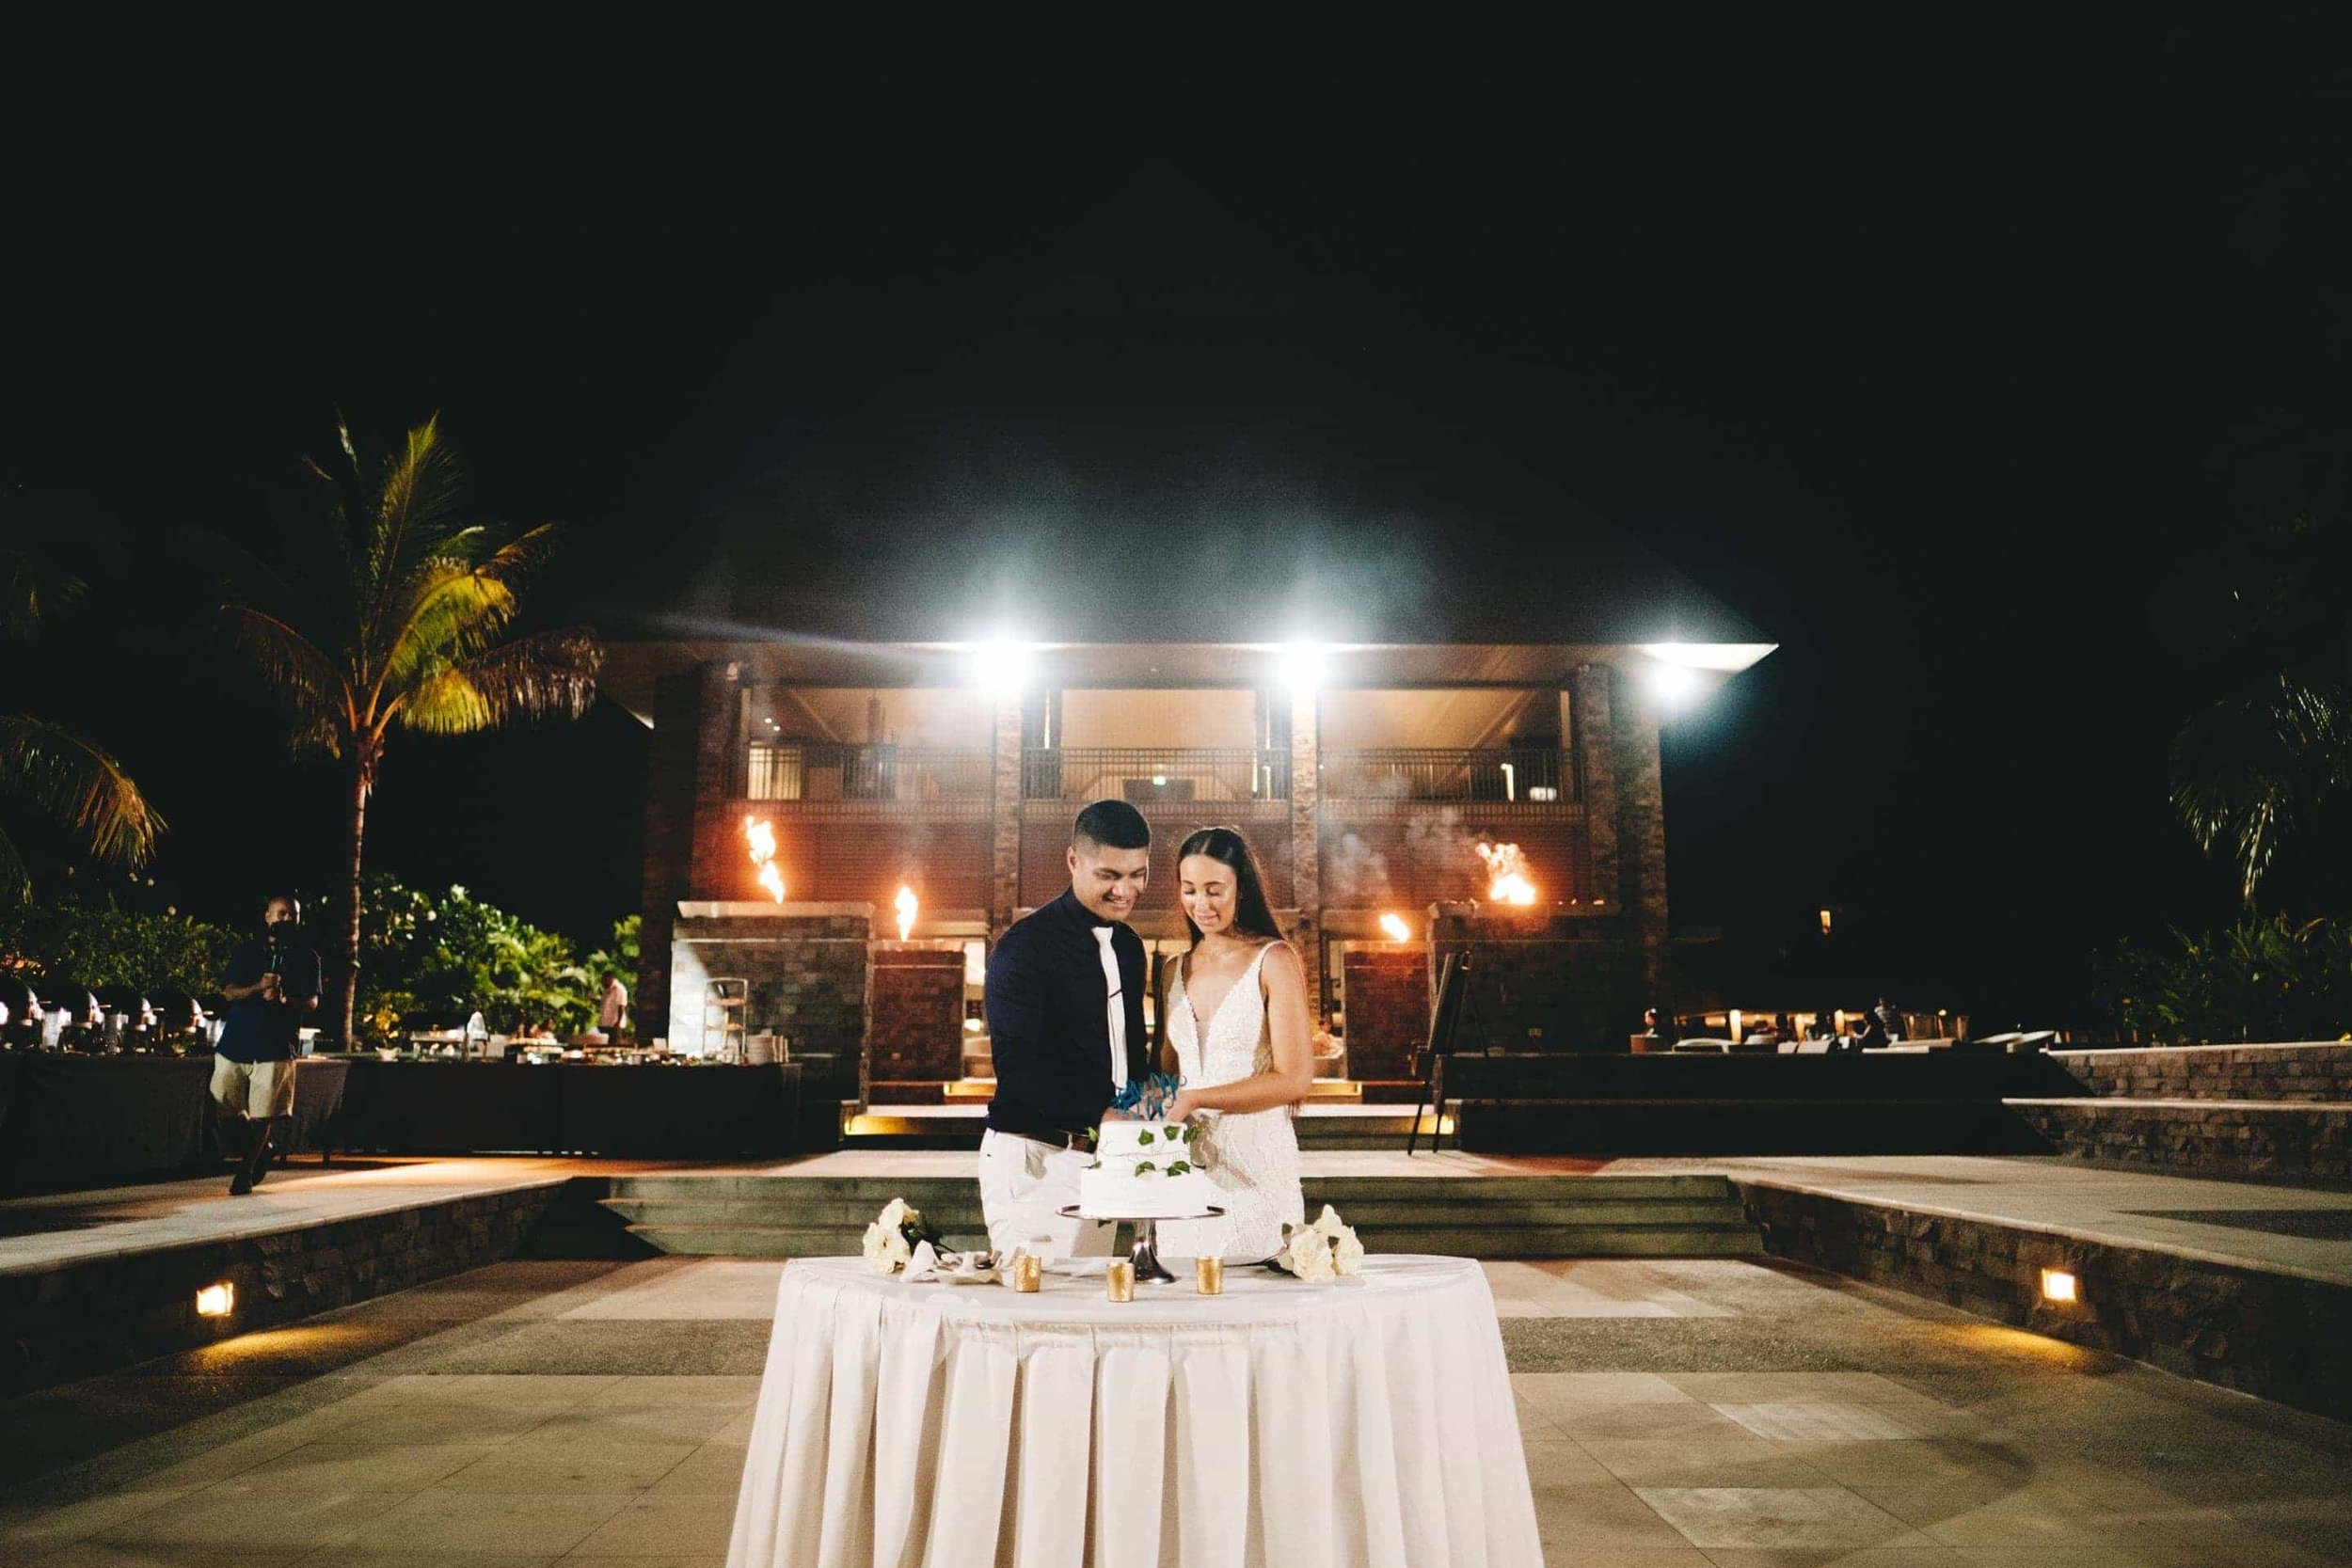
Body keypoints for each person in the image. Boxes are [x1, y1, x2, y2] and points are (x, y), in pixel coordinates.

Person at [979, 800, 1152, 1259]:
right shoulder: (1024, 947)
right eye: (1110, 875)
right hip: (1035, 1157)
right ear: (1073, 860)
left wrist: (1141, 1111)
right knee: (1035, 1316)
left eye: (1138, 874)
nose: (1126, 890)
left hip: (1101, 1158)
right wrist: (1104, 1115)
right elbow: (1017, 1070)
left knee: (1087, 1312)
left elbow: (1131, 1049)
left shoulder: (1131, 948)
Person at [1154, 826, 1311, 1262]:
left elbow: (1295, 1080)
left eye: (1214, 890)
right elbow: (1167, 1074)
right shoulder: (1173, 969)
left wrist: (1196, 1098)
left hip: (1255, 1164)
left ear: (1241, 889)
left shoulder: (1273, 960)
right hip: (1184, 1168)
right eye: (1189, 890)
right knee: (1183, 1300)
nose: (1200, 904)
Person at [213, 892, 321, 1194]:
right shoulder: (247, 952)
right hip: (236, 1041)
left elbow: (312, 1001)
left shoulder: (306, 956)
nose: (286, 919)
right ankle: (263, 1146)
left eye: (292, 915)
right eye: (281, 913)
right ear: (267, 916)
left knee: (263, 1114)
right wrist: (258, 987)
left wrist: (287, 999)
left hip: (276, 1046)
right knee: (223, 1104)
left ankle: (246, 1171)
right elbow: (229, 993)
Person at [597, 971, 628, 1043]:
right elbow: (604, 1004)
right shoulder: (607, 989)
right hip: (604, 1023)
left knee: (614, 1046)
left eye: (604, 980)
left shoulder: (620, 989)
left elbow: (621, 1006)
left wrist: (618, 1022)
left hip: (614, 1024)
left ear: (610, 978)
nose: (603, 982)